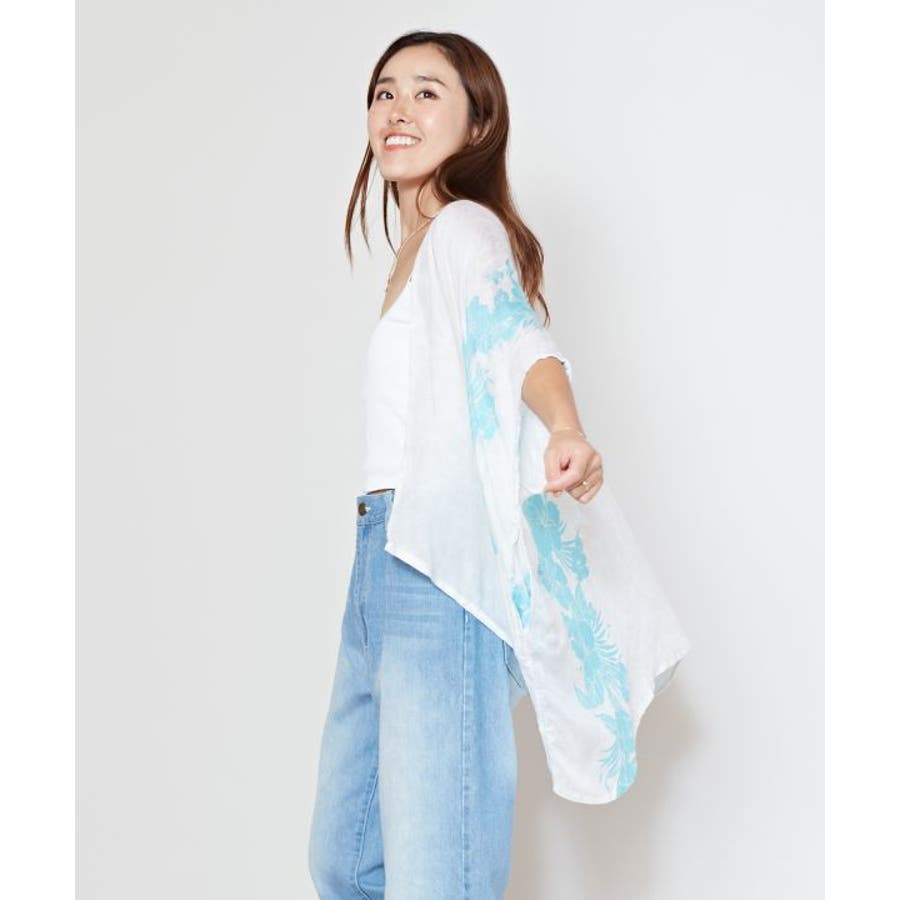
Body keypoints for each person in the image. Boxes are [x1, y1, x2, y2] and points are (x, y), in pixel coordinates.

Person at [308, 30, 691, 900]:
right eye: (384, 92)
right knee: (345, 861)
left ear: (477, 125)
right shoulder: (414, 254)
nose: (398, 109)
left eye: (427, 92)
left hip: (433, 575)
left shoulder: (463, 230)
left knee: (438, 876)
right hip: (379, 559)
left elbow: (517, 338)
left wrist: (565, 425)